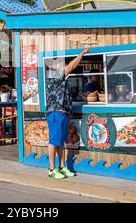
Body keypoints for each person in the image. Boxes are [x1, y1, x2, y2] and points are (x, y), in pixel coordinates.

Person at [45, 48, 90, 179]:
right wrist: (81, 54)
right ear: (53, 66)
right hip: (55, 113)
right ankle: (52, 169)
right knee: (54, 141)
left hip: (62, 113)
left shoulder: (59, 76)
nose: (63, 64)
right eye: (60, 63)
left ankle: (62, 167)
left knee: (62, 142)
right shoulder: (54, 75)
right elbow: (71, 66)